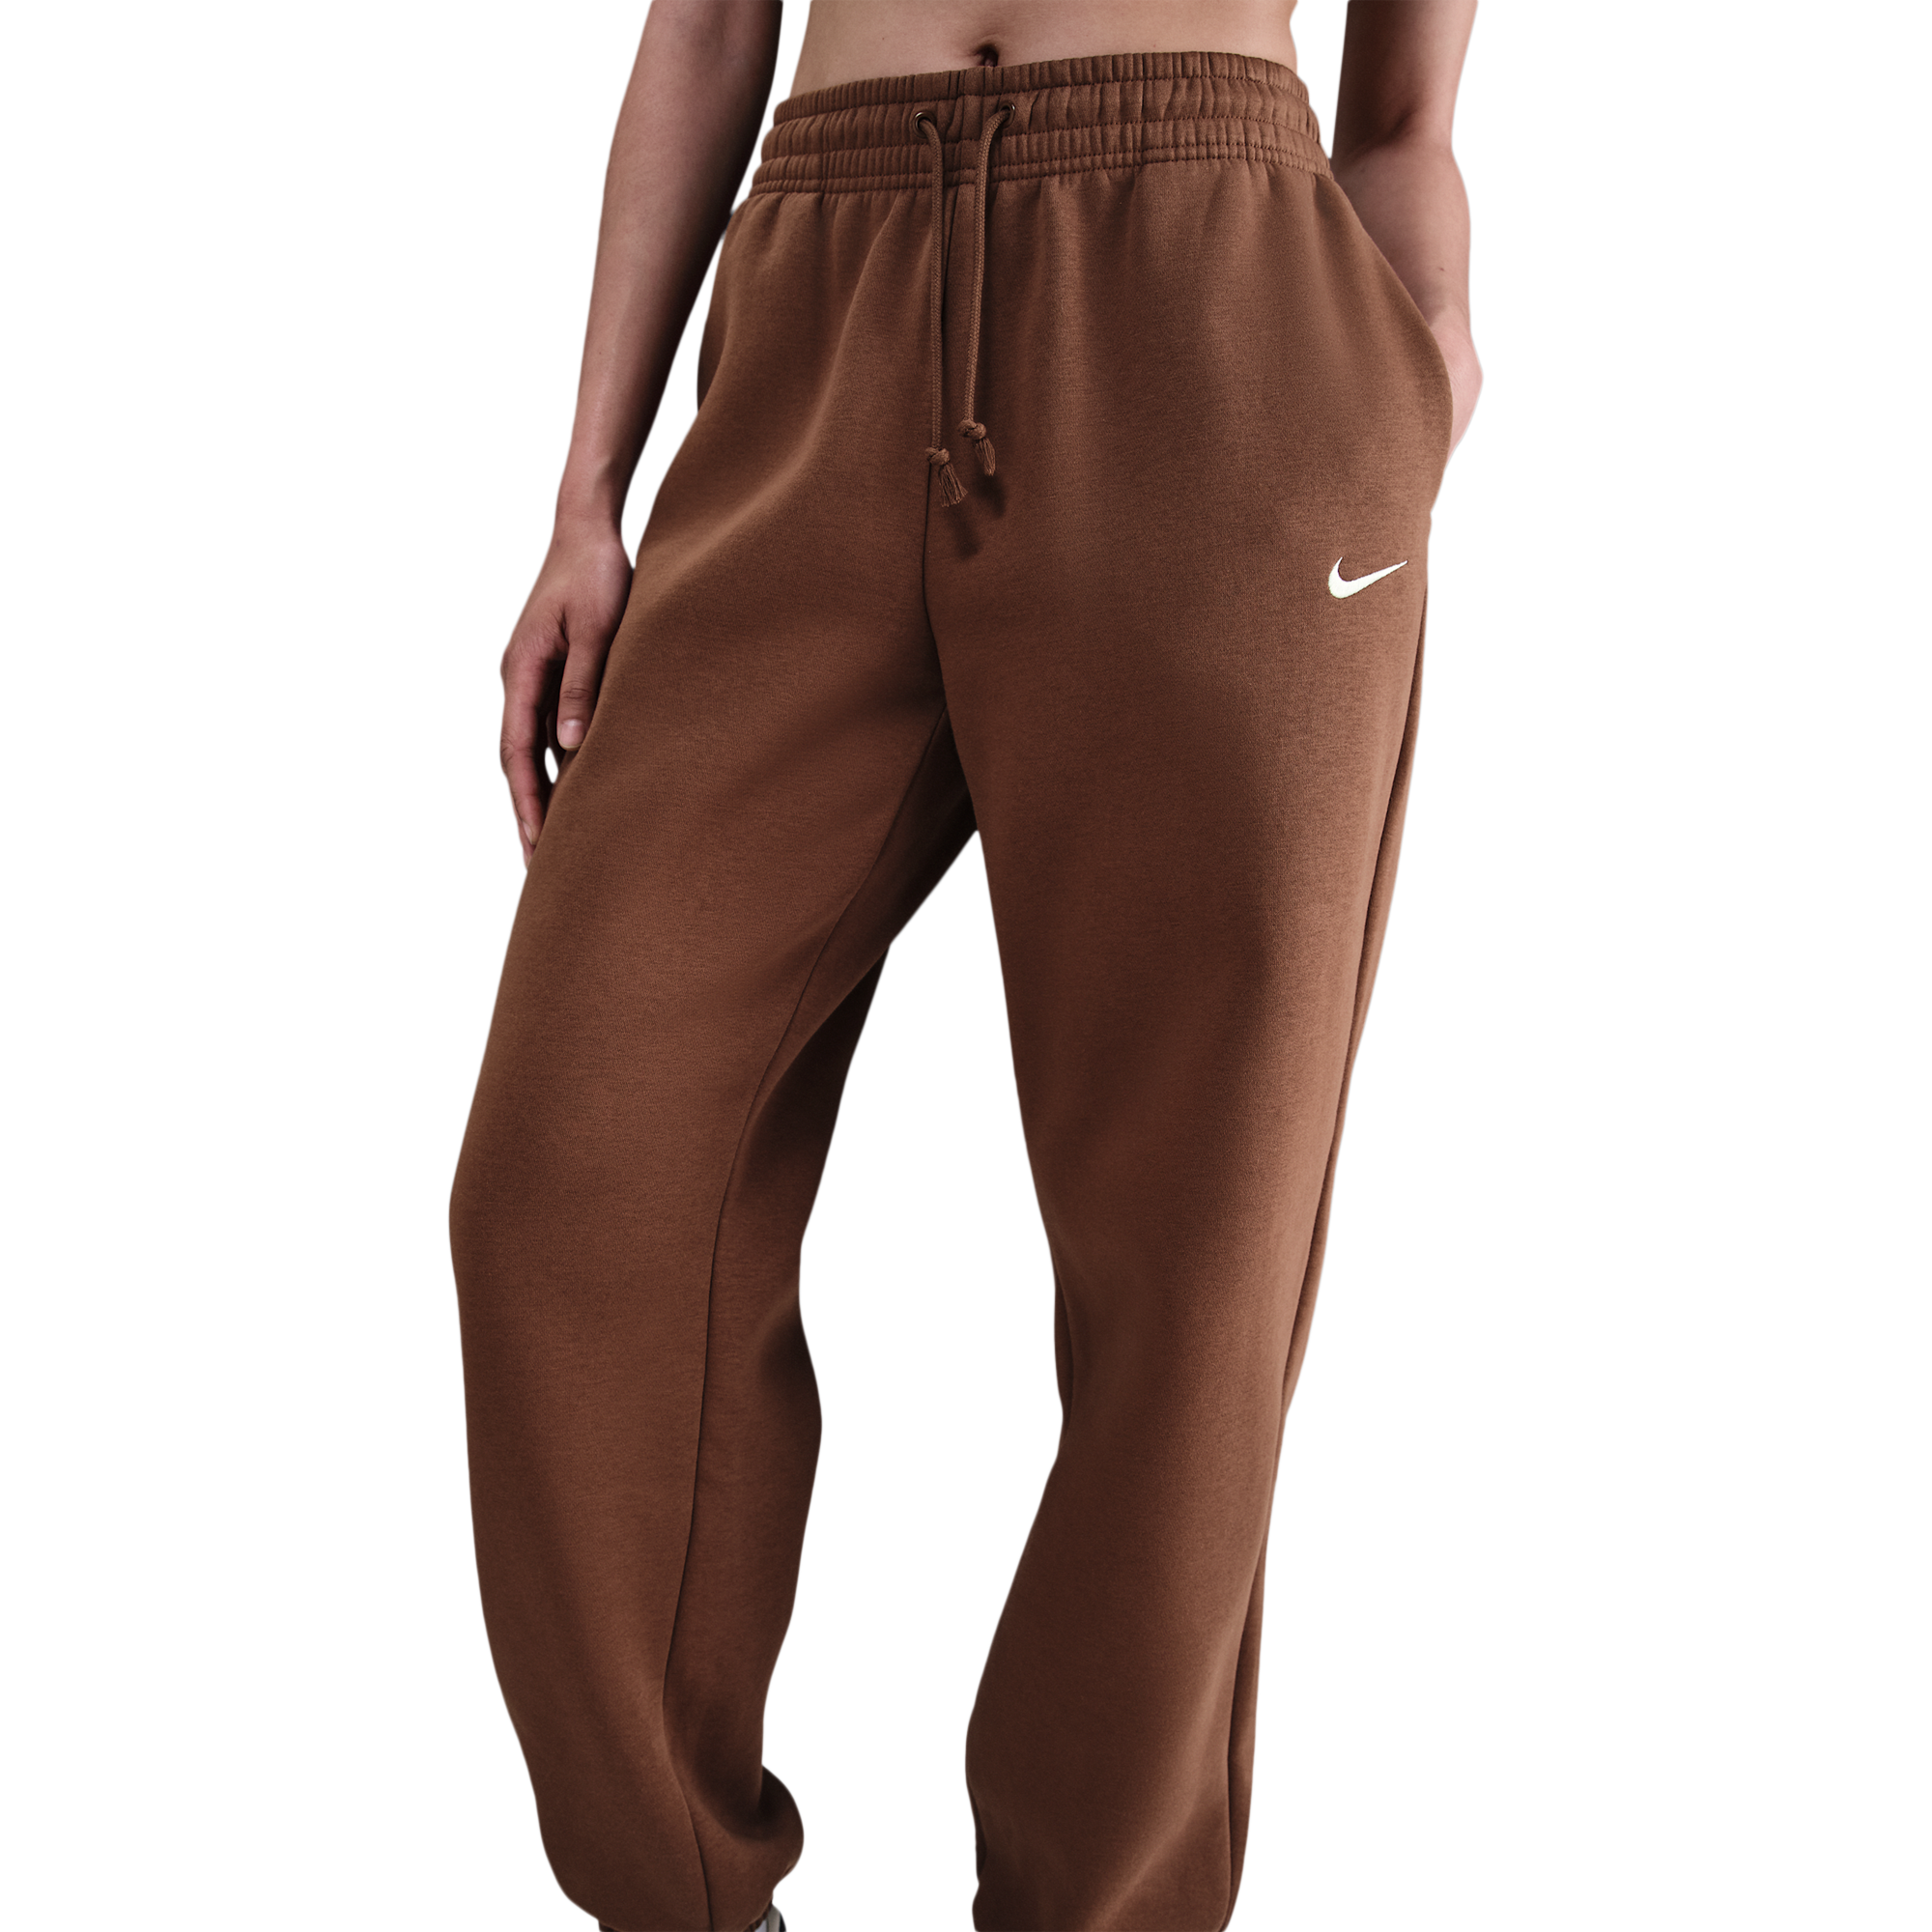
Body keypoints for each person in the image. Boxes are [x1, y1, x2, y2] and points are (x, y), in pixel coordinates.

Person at [447, 2, 1482, 1927]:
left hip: (1218, 289)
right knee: (565, 1173)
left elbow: (1404, 108)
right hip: (815, 300)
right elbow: (705, 25)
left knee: (1199, 1242)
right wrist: (590, 493)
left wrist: (1414, 358)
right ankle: (678, 1897)